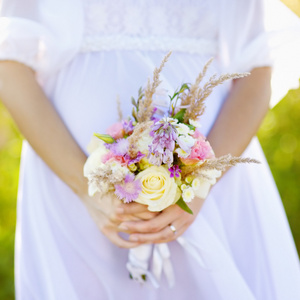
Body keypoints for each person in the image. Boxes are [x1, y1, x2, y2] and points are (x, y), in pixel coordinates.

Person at [0, 0, 300, 299]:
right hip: (68, 181)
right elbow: (9, 60)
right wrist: (85, 188)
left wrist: (200, 183)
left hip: (214, 188)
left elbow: (256, 68)